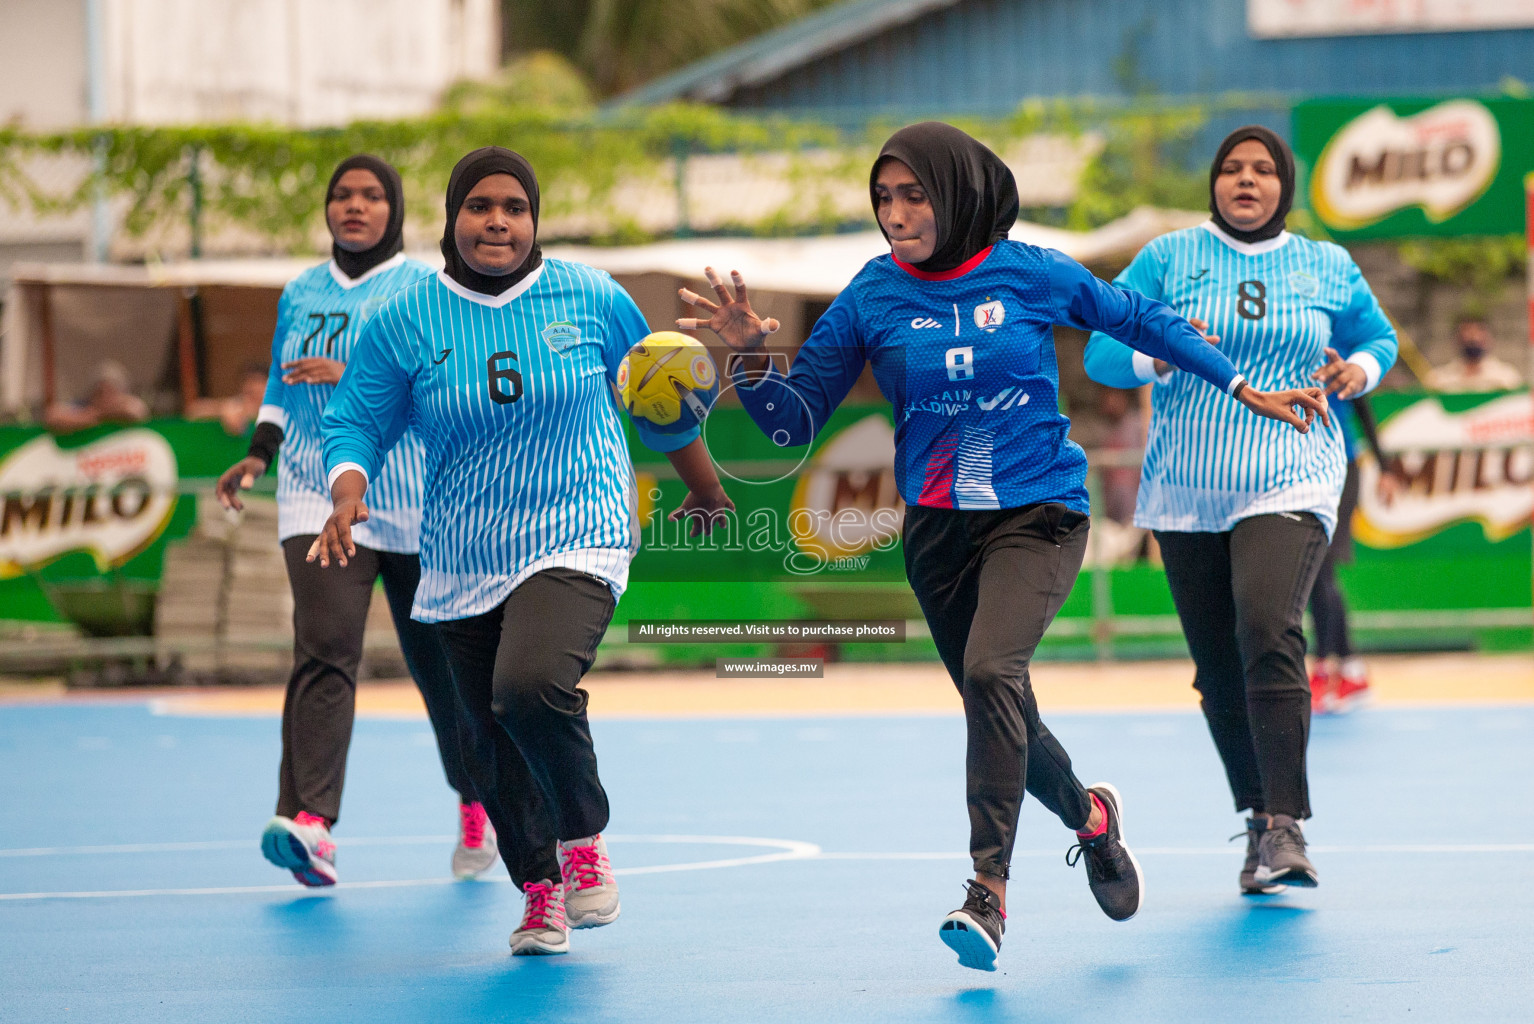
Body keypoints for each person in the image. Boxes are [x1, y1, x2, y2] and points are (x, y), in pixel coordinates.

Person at [677, 122, 1325, 972]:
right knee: (1004, 703)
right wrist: (752, 362)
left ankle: (987, 891)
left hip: (1039, 514)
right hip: (939, 534)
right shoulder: (872, 294)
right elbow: (793, 423)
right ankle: (1091, 817)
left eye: (914, 194)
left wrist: (1243, 386)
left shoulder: (1030, 271)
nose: (895, 212)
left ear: (959, 195)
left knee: (990, 675)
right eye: (883, 196)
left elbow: (1146, 320)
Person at [311, 147, 734, 956]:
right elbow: (354, 421)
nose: (496, 221)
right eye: (479, 206)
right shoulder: (405, 318)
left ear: (534, 218)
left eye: (513, 207)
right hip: (463, 551)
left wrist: (708, 489)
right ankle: (539, 891)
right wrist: (348, 489)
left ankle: (583, 842)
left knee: (530, 686)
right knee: (487, 739)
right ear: (451, 218)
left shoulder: (590, 296)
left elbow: (662, 399)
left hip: (579, 526)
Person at [1083, 125, 1399, 896]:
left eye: (1263, 169)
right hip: (1189, 487)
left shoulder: (1327, 264)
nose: (1246, 180)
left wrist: (1357, 371)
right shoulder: (1167, 258)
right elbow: (1098, 349)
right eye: (1231, 168)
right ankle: (1257, 819)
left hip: (1293, 471)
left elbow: (1379, 338)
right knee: (1217, 669)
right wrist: (1160, 352)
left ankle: (1287, 822)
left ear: (1284, 184)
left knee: (1267, 623)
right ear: (1215, 183)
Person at [215, 155, 497, 888]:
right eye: (342, 194)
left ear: (394, 209)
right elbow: (280, 383)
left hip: (414, 502)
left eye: (372, 195)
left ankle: (476, 797)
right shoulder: (301, 290)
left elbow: (440, 386)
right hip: (318, 493)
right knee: (325, 648)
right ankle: (312, 826)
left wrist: (359, 382)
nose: (355, 206)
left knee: (442, 671)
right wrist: (256, 454)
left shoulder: (425, 291)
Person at [44, 359, 150, 433]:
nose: (105, 395)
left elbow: (137, 410)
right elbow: (53, 415)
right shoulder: (84, 406)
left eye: (111, 390)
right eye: (100, 391)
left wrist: (104, 414)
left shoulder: (128, 403)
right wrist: (88, 418)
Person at [1424, 315, 1522, 393]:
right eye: (1467, 331)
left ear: (1490, 339)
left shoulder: (1507, 378)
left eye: (1479, 331)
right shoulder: (1439, 379)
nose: (1473, 337)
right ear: (1456, 339)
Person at [186, 361, 268, 435]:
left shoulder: (277, 406)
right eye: (249, 382)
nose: (252, 387)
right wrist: (222, 411)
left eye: (259, 382)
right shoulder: (237, 405)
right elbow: (194, 410)